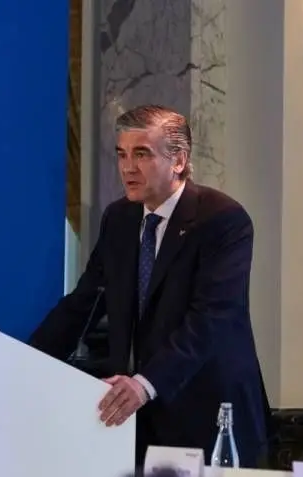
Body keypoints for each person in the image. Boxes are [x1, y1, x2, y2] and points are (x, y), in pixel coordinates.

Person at [29, 105, 270, 467]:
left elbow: (211, 318)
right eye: (122, 154)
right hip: (137, 422)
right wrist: (26, 361)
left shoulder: (222, 220)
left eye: (141, 154)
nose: (128, 167)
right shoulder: (119, 218)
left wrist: (145, 383)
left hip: (206, 414)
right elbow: (84, 303)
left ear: (179, 160)